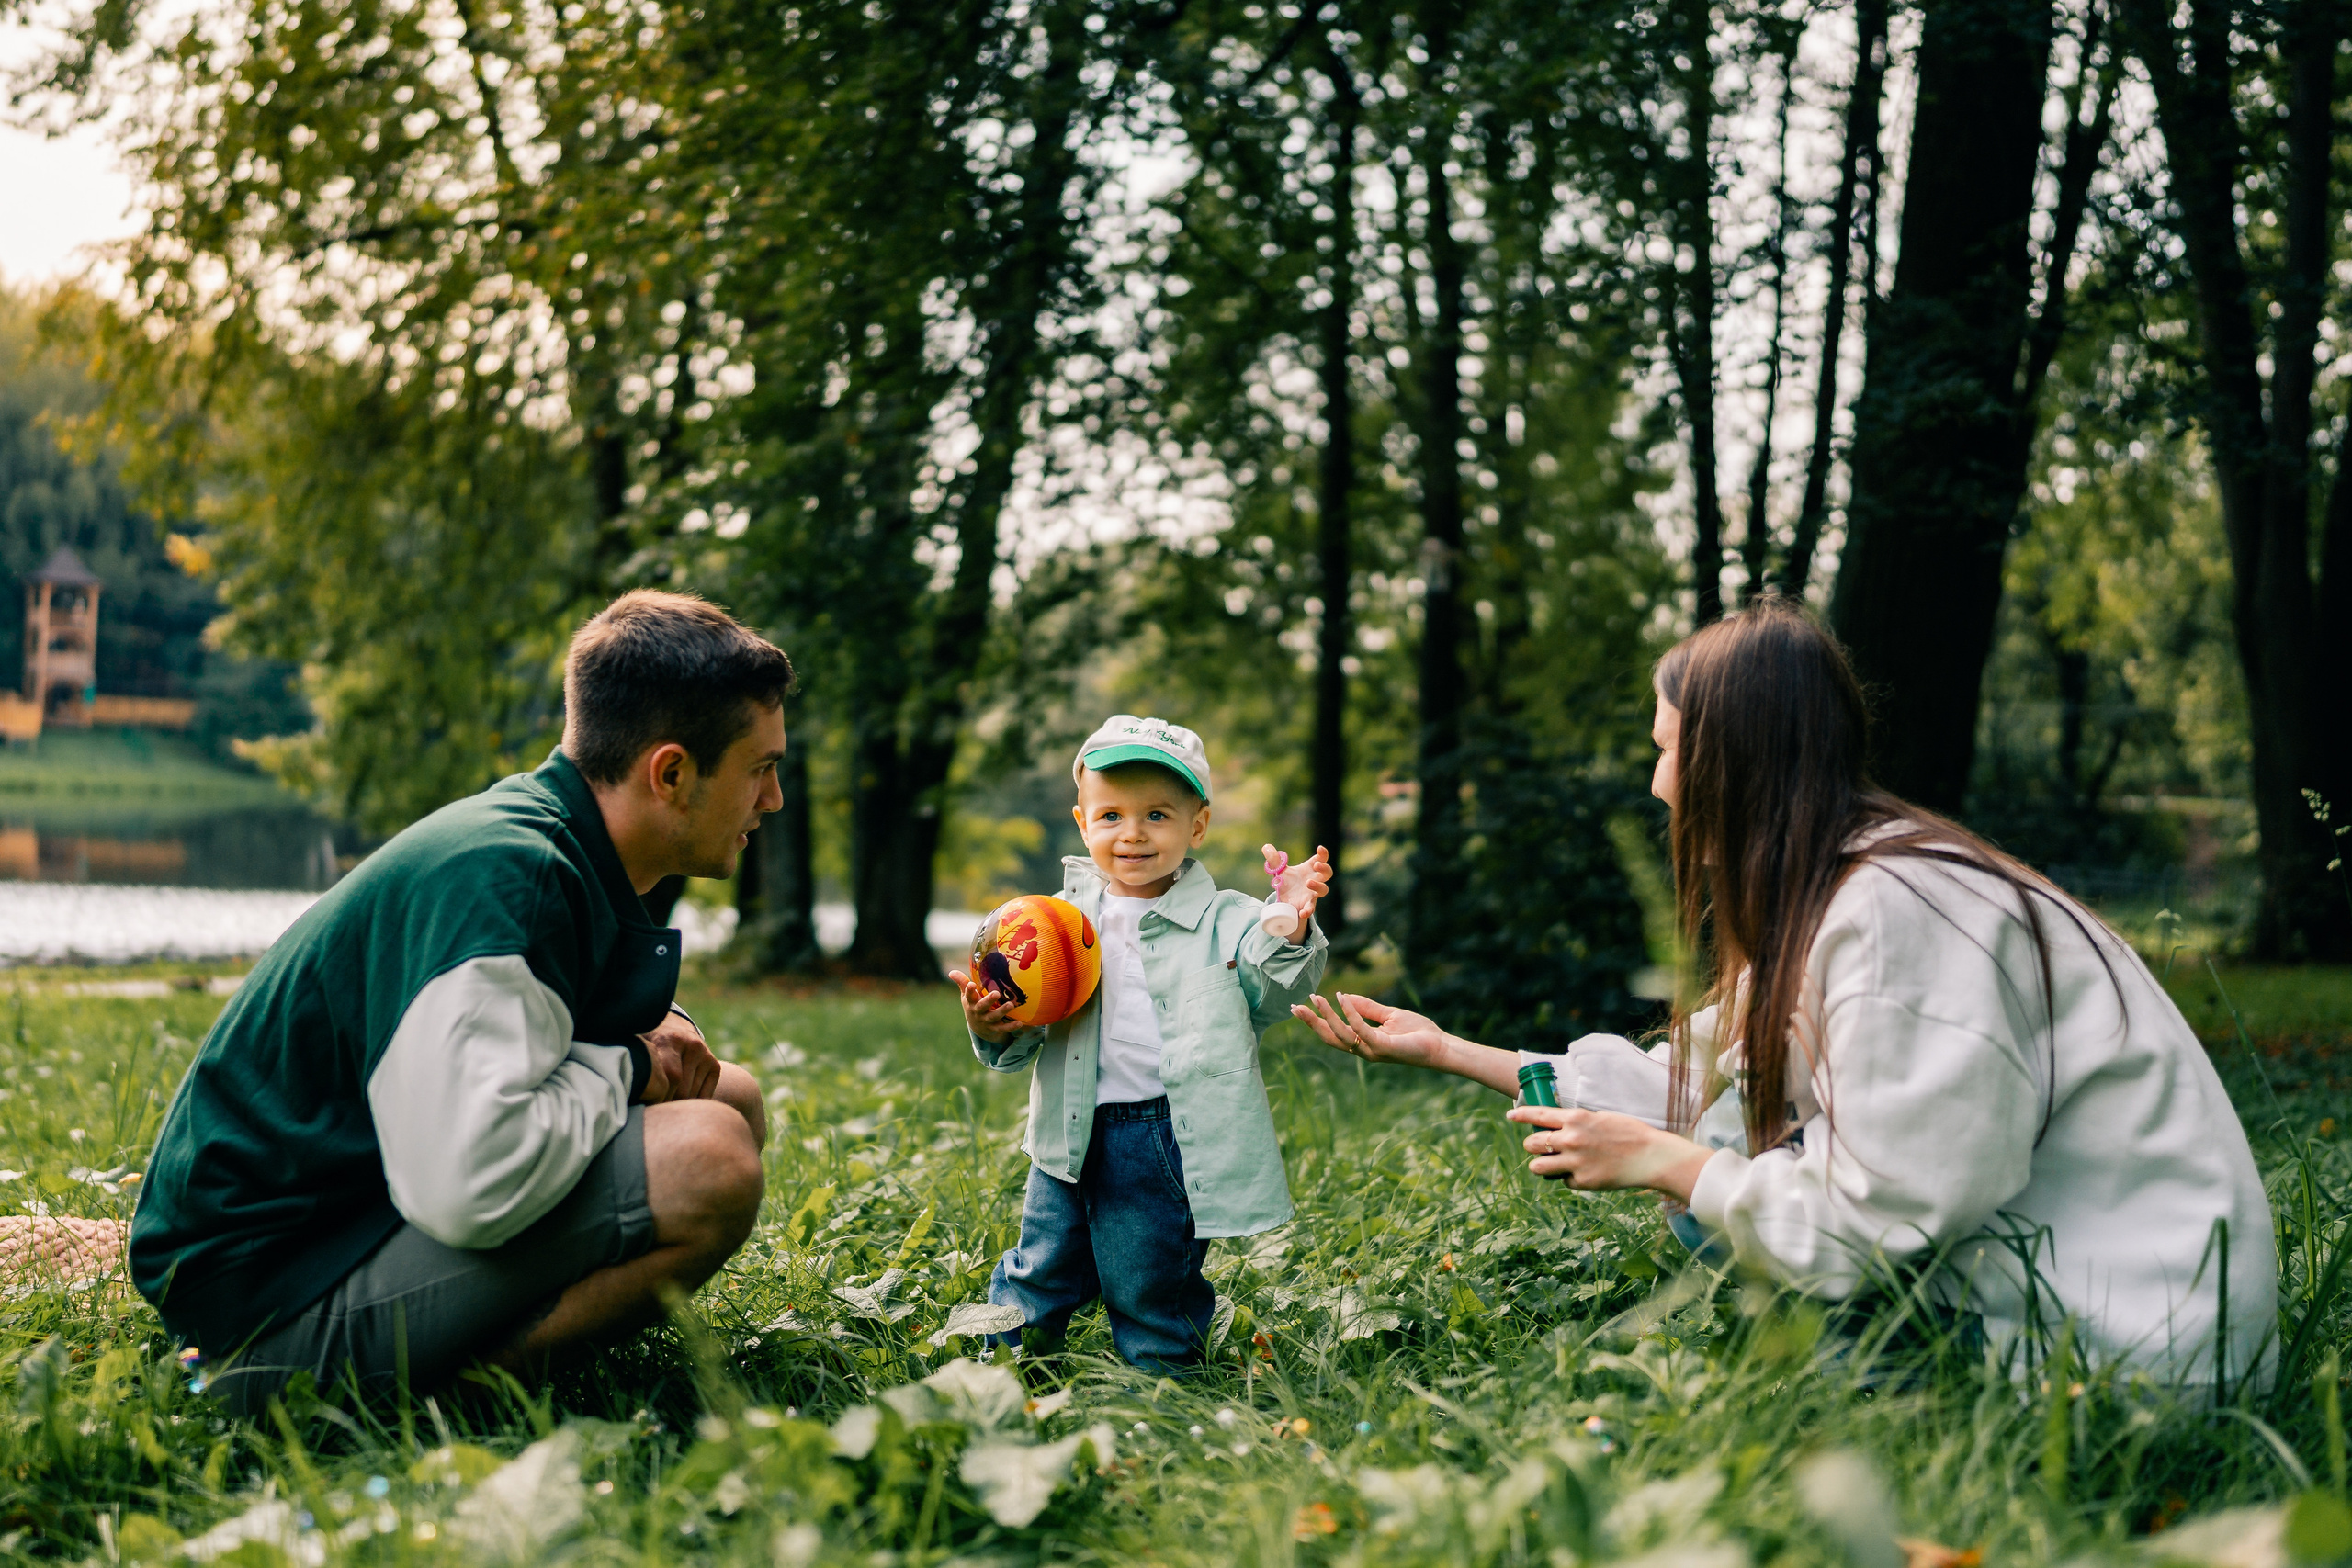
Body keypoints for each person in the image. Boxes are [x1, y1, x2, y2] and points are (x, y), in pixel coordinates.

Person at [1295, 603, 2275, 1386]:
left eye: (1668, 748)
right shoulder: (1840, 888)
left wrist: (1670, 1164)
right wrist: (1446, 1049)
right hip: (2057, 1301)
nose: (1658, 785)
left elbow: (1882, 1213)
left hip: (2120, 1353)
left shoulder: (1898, 912)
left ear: (1737, 758)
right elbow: (1690, 1078)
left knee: (1715, 1181)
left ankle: (1871, 1396)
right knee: (1720, 1163)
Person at [131, 591, 791, 1413]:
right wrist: (628, 1067)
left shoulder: (554, 842)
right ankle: (451, 1405)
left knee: (731, 1097)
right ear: (672, 774)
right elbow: (471, 1183)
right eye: (760, 768)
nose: (773, 799)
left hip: (350, 1218)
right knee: (712, 1161)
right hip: (265, 1307)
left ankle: (458, 1367)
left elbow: (545, 1028)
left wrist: (645, 1038)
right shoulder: (513, 881)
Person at [951, 716, 1330, 1371]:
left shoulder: (1229, 920)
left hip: (1163, 1135)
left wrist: (1289, 924)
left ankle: (1159, 1390)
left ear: (1197, 826)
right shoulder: (1053, 923)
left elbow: (1273, 988)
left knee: (1149, 1278)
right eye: (1111, 816)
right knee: (1040, 1265)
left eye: (1157, 814)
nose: (1132, 833)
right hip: (1066, 1130)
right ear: (1082, 823)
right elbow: (1026, 1022)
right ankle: (1004, 1372)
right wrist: (992, 1025)